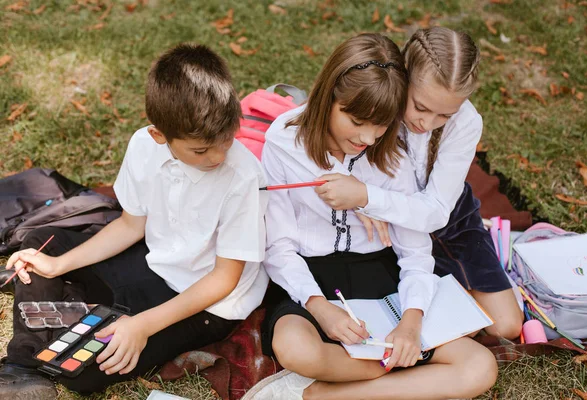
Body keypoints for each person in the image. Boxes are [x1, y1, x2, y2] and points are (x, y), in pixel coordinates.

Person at [0, 43, 268, 399]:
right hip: (151, 263)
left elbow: (223, 279)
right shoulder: (144, 145)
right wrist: (58, 263)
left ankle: (70, 305)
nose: (219, 155)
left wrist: (142, 326)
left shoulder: (244, 175)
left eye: (226, 140)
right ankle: (21, 367)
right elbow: (130, 225)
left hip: (206, 301)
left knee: (82, 375)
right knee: (39, 244)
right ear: (160, 135)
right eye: (201, 150)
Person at [244, 33, 497, 400]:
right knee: (296, 349)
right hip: (311, 272)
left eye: (380, 125)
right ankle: (401, 372)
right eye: (356, 120)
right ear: (328, 97)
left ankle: (325, 395)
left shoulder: (391, 150)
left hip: (380, 270)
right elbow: (278, 247)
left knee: (480, 366)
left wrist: (410, 325)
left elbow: (414, 251)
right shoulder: (284, 142)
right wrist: (321, 309)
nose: (367, 136)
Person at [314, 27, 523, 340]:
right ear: (404, 74)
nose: (427, 123)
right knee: (427, 315)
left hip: (447, 221)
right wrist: (360, 201)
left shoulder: (466, 122)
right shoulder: (379, 99)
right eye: (421, 107)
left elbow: (437, 212)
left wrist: (366, 198)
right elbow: (334, 146)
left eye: (444, 115)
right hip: (389, 228)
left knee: (506, 325)